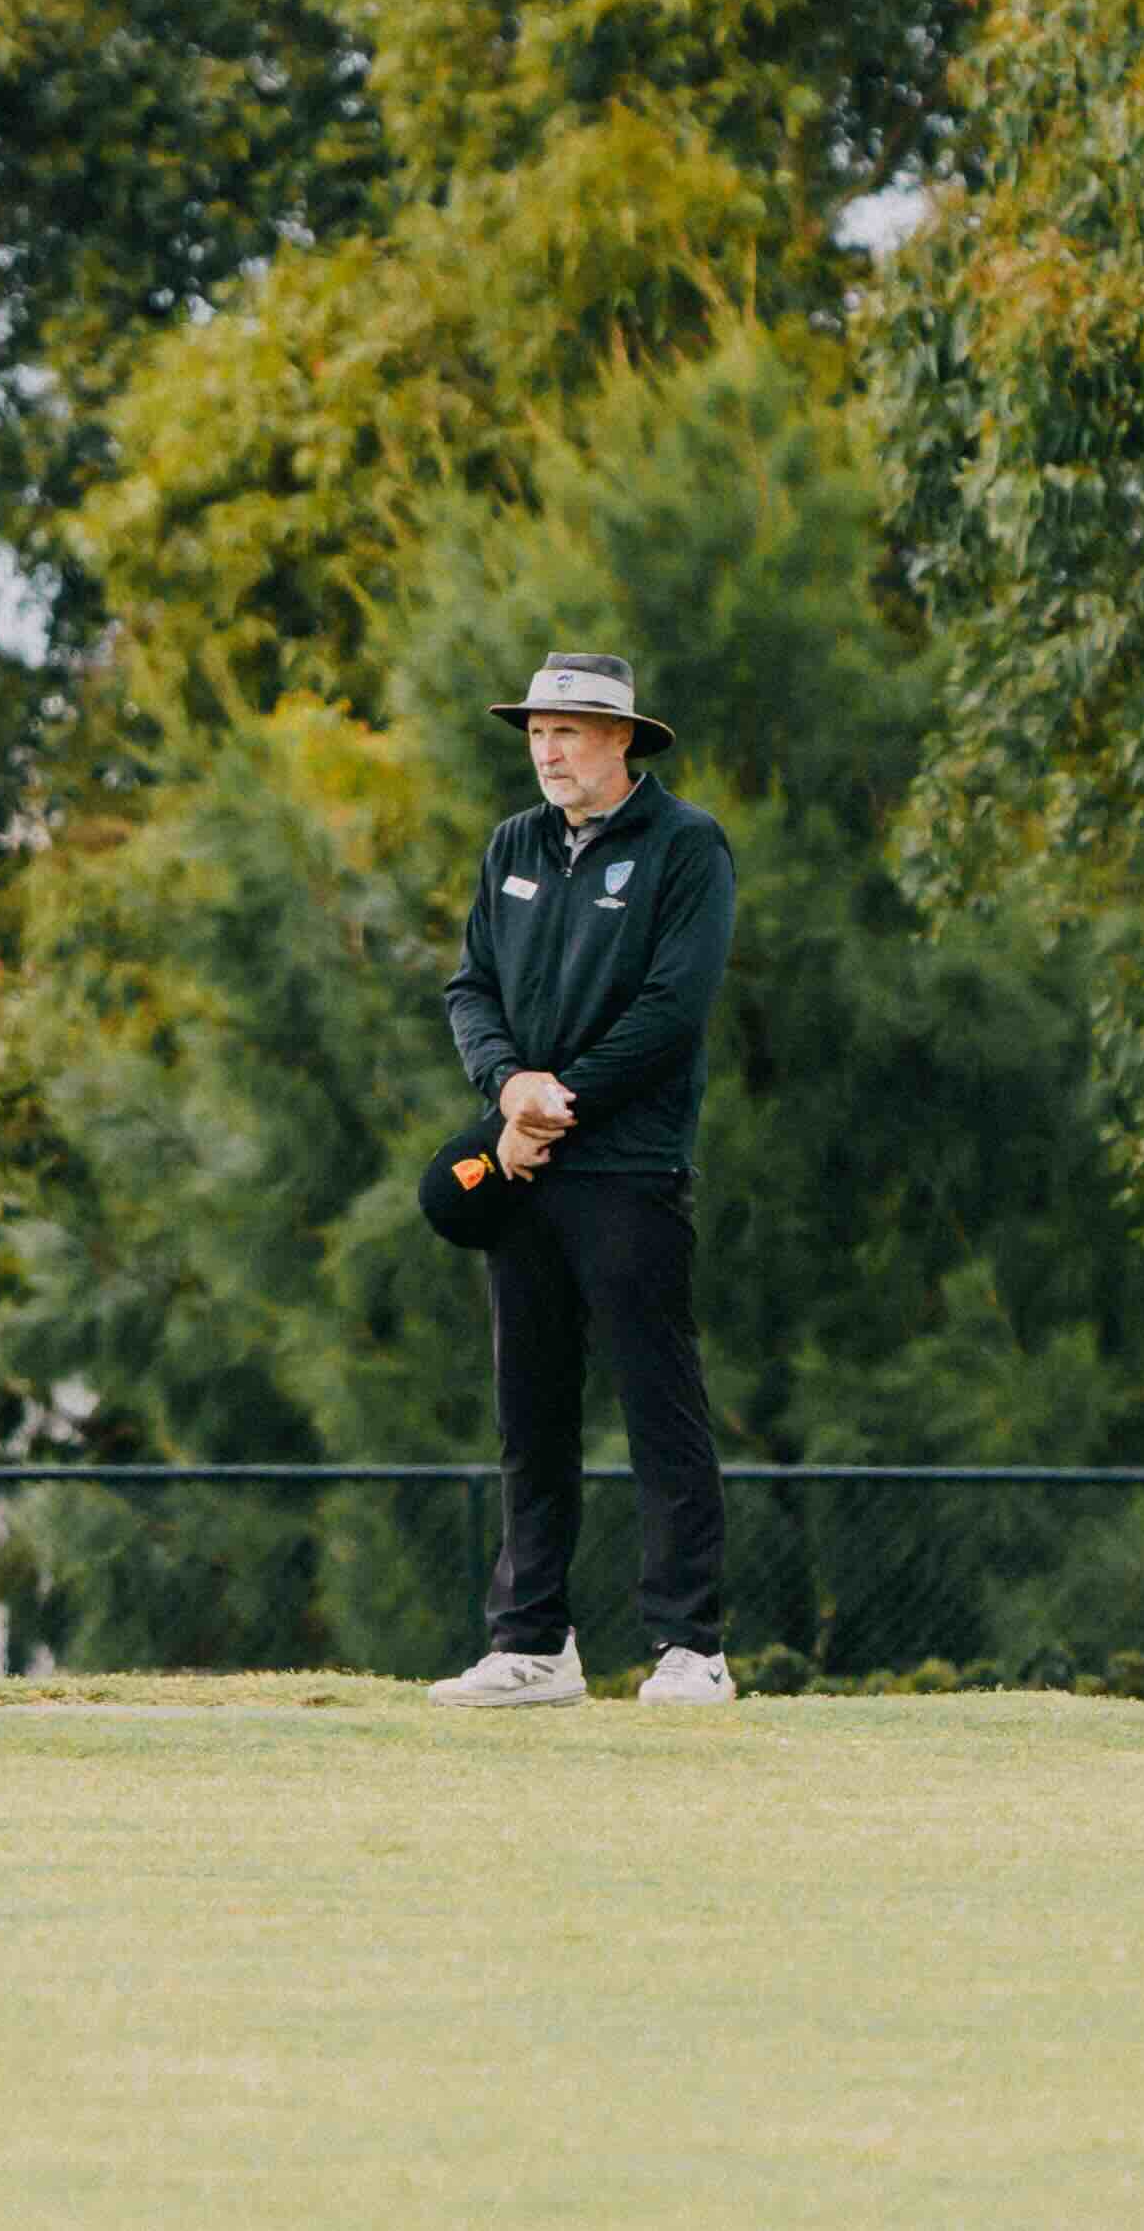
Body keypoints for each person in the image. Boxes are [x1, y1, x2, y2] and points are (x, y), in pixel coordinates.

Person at [428, 651, 741, 1709]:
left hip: (628, 1164)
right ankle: (531, 1644)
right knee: (531, 1406)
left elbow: (673, 1005)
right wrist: (509, 1085)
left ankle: (691, 1647)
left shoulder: (686, 846)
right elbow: (470, 985)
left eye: (568, 730)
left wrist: (568, 1096)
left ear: (621, 740)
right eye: (535, 732)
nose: (547, 749)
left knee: (658, 1404)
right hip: (521, 1163)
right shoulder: (510, 846)